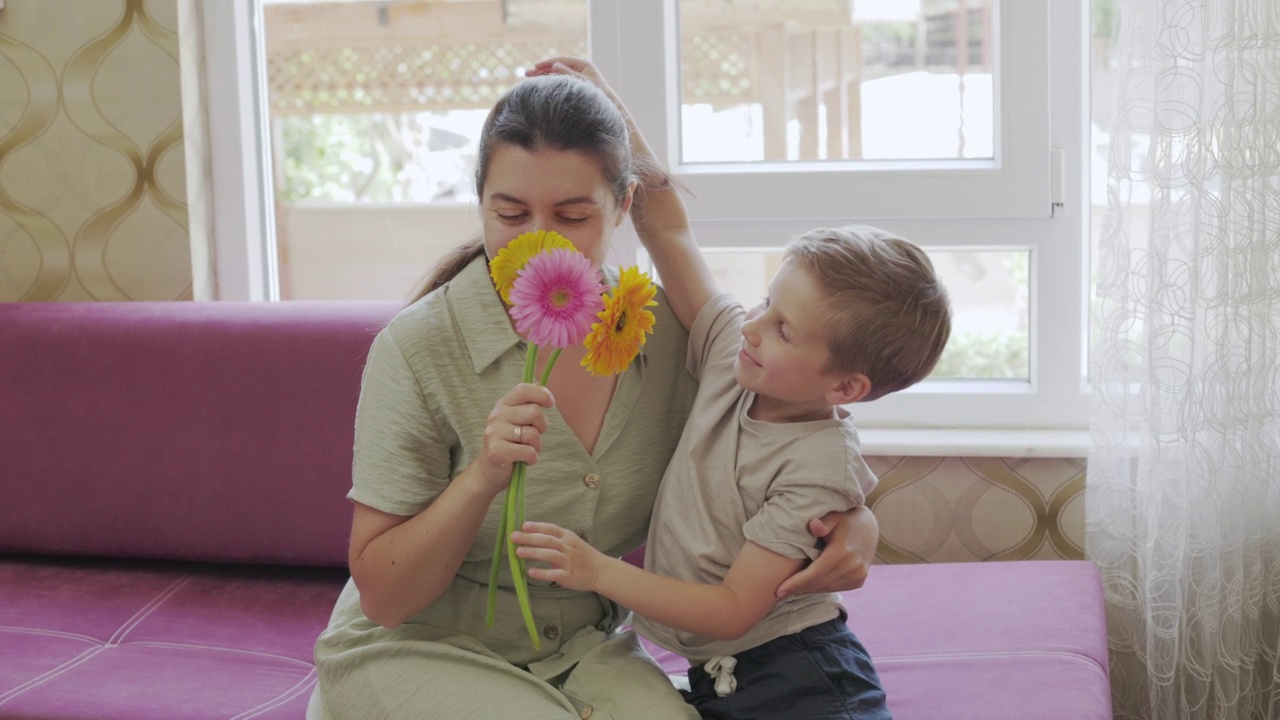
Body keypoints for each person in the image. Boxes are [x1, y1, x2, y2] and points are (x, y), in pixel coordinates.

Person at [307, 60, 882, 720]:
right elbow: (384, 598)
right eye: (510, 213)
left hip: (580, 648)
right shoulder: (417, 348)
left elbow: (793, 422)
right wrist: (481, 478)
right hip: (412, 647)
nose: (539, 241)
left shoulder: (669, 338)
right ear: (480, 206)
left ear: (622, 206)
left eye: (573, 215)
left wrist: (856, 520)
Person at [512, 59, 952, 720]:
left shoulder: (819, 465)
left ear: (845, 385)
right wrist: (611, 111)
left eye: (784, 328)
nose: (753, 324)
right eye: (764, 301)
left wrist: (596, 571)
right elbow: (669, 232)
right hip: (724, 677)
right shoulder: (729, 352)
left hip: (801, 676)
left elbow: (733, 608)